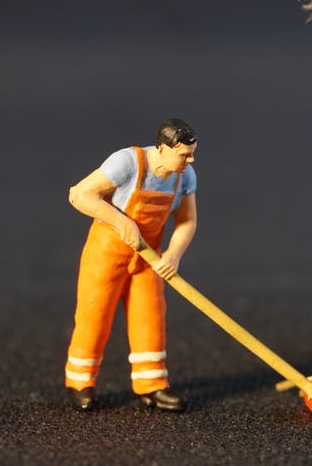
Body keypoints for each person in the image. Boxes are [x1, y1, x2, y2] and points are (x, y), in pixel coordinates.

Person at [64, 118, 198, 412]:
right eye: (184, 155)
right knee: (95, 316)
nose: (190, 161)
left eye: (192, 154)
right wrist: (120, 221)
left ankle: (152, 385)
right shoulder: (127, 163)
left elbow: (187, 221)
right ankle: (80, 382)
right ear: (162, 148)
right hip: (106, 255)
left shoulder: (184, 176)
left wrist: (173, 255)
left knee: (150, 318)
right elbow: (79, 194)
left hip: (148, 260)